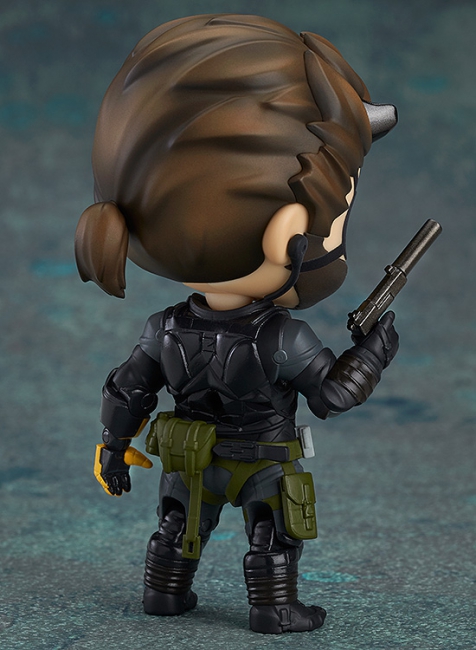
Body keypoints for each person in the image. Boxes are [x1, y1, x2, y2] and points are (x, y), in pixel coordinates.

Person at [75, 14, 399, 634]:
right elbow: (331, 396)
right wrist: (374, 354)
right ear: (286, 233)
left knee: (177, 525)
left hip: (190, 458)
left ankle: (163, 595)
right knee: (273, 533)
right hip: (262, 461)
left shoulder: (164, 327)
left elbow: (128, 388)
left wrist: (112, 448)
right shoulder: (282, 336)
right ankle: (273, 607)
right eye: (336, 218)